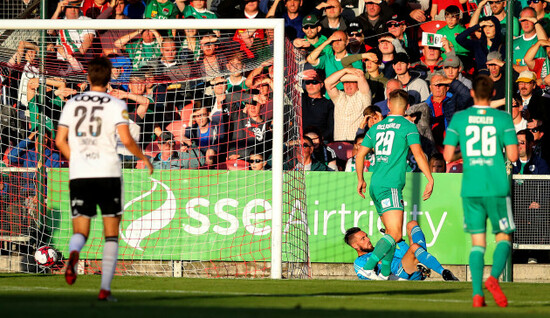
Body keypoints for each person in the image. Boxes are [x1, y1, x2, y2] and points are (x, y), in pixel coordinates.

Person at [55, 56, 153, 301]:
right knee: (111, 234)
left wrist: (76, 160)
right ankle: (105, 290)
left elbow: (59, 141)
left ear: (88, 78)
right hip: (108, 171)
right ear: (109, 78)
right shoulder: (115, 103)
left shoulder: (72, 103)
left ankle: (74, 253)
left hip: (80, 174)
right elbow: (127, 140)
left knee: (81, 231)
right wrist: (145, 158)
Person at [443, 75, 519, 308]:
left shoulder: (460, 118)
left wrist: (463, 153)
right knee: (503, 237)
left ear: (473, 93)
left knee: (478, 243)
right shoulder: (503, 118)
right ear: (493, 93)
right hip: (496, 186)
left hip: (471, 188)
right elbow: (514, 156)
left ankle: (477, 294)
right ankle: (494, 279)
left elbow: (447, 156)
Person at [355, 89, 434, 281]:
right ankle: (369, 266)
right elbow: (418, 154)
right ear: (407, 107)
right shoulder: (408, 127)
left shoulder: (376, 127)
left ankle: (385, 273)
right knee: (396, 232)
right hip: (391, 185)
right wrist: (430, 178)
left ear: (388, 104)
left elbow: (359, 154)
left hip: (375, 184)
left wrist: (360, 179)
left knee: (393, 234)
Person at [345, 221, 458, 281]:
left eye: (366, 236)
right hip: (400, 275)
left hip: (408, 267)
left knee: (412, 224)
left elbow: (405, 254)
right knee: (414, 248)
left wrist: (399, 241)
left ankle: (422, 264)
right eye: (363, 239)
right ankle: (444, 273)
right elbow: (367, 277)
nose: (368, 239)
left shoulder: (382, 248)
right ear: (355, 245)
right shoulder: (360, 262)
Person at [325, 67, 371, 142]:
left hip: (356, 142)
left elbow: (360, 77)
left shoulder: (364, 95)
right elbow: (327, 82)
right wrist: (345, 70)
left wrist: (340, 78)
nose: (348, 85)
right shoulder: (339, 97)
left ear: (357, 84)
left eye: (352, 82)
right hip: (339, 143)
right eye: (345, 82)